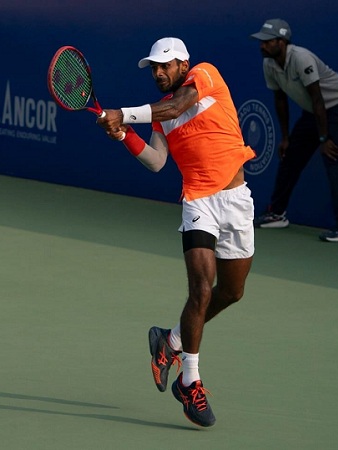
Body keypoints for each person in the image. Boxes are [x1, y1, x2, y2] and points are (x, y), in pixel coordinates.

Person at [97, 37, 255, 428]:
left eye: (164, 65)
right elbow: (156, 162)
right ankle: (190, 381)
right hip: (197, 203)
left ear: (184, 64)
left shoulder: (206, 75)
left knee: (232, 292)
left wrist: (122, 114)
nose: (158, 73)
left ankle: (170, 341)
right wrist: (121, 134)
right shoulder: (160, 114)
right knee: (202, 289)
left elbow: (177, 105)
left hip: (235, 199)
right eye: (153, 67)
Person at [250, 19, 338, 242]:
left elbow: (317, 99)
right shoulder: (269, 64)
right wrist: (285, 137)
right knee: (290, 156)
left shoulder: (302, 58)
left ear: (282, 42)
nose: (262, 46)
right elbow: (280, 99)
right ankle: (277, 213)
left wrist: (324, 138)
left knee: (332, 157)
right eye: (261, 42)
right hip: (314, 112)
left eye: (267, 41)